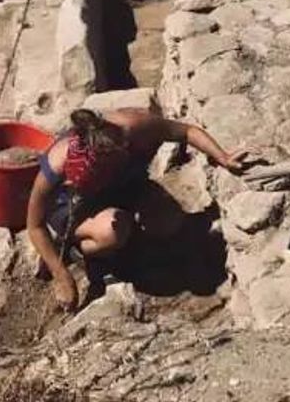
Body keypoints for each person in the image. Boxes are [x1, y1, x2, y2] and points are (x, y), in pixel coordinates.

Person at [27, 107, 246, 311]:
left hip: (126, 187)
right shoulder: (59, 162)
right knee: (112, 231)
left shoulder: (134, 129)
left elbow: (187, 131)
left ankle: (132, 246)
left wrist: (222, 157)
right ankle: (83, 251)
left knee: (168, 220)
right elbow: (34, 225)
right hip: (73, 206)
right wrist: (61, 275)